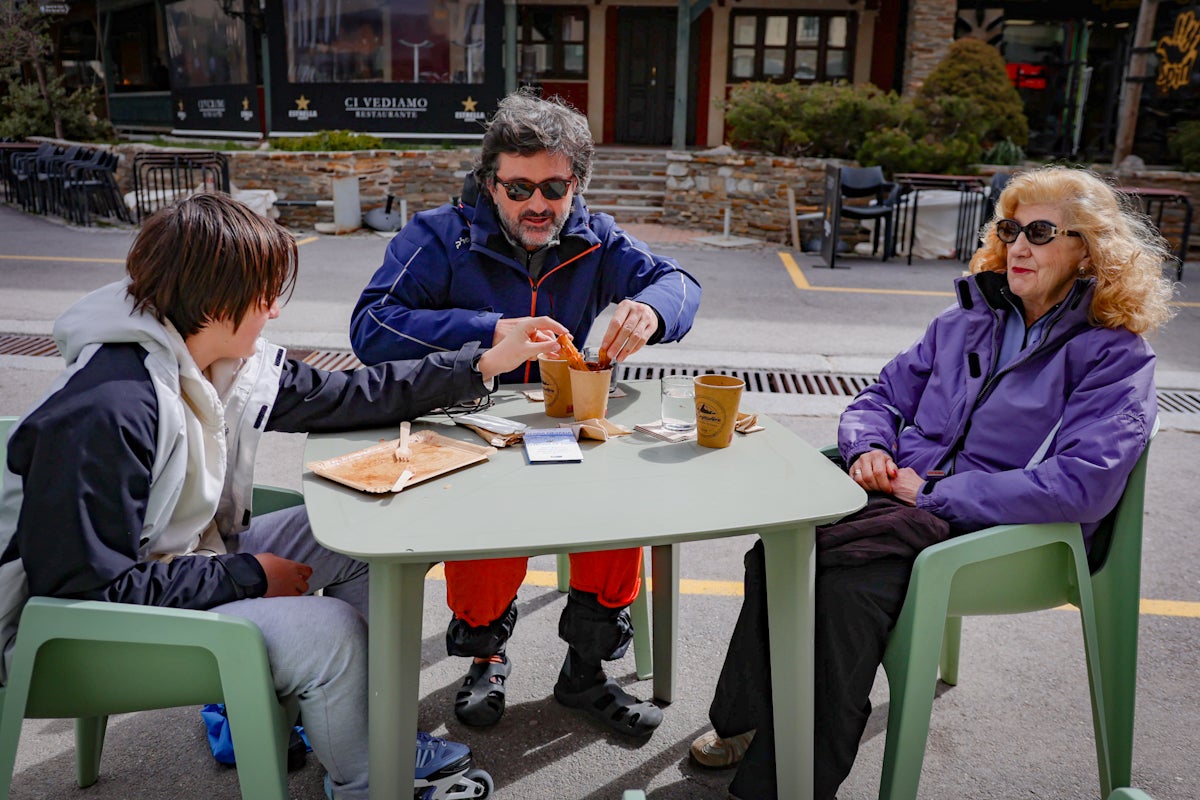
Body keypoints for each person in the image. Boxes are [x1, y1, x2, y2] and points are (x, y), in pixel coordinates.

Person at [0, 193, 567, 800]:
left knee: (360, 537)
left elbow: (350, 395)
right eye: (264, 294)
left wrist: (481, 362)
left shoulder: (207, 358)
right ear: (214, 299)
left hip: (174, 565)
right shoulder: (108, 408)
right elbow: (83, 587)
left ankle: (371, 734)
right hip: (76, 636)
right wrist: (247, 575)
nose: (273, 311)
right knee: (331, 631)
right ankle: (372, 782)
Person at [692, 166, 1175, 799]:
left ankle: (789, 783)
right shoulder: (965, 321)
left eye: (1040, 231)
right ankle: (749, 721)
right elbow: (882, 397)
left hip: (1005, 532)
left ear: (1089, 249)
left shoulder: (1114, 354)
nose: (1019, 246)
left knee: (843, 586)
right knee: (778, 551)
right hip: (905, 502)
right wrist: (867, 448)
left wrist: (933, 493)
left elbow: (1082, 484)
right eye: (1010, 228)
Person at [349, 90, 700, 738]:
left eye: (554, 187)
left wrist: (651, 311)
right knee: (484, 524)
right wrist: (491, 331)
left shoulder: (597, 239)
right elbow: (370, 326)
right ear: (490, 183)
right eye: (518, 188)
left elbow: (678, 282)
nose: (537, 203)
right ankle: (486, 657)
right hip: (467, 424)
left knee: (622, 511)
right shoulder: (436, 236)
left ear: (577, 184)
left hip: (565, 424)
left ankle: (586, 671)